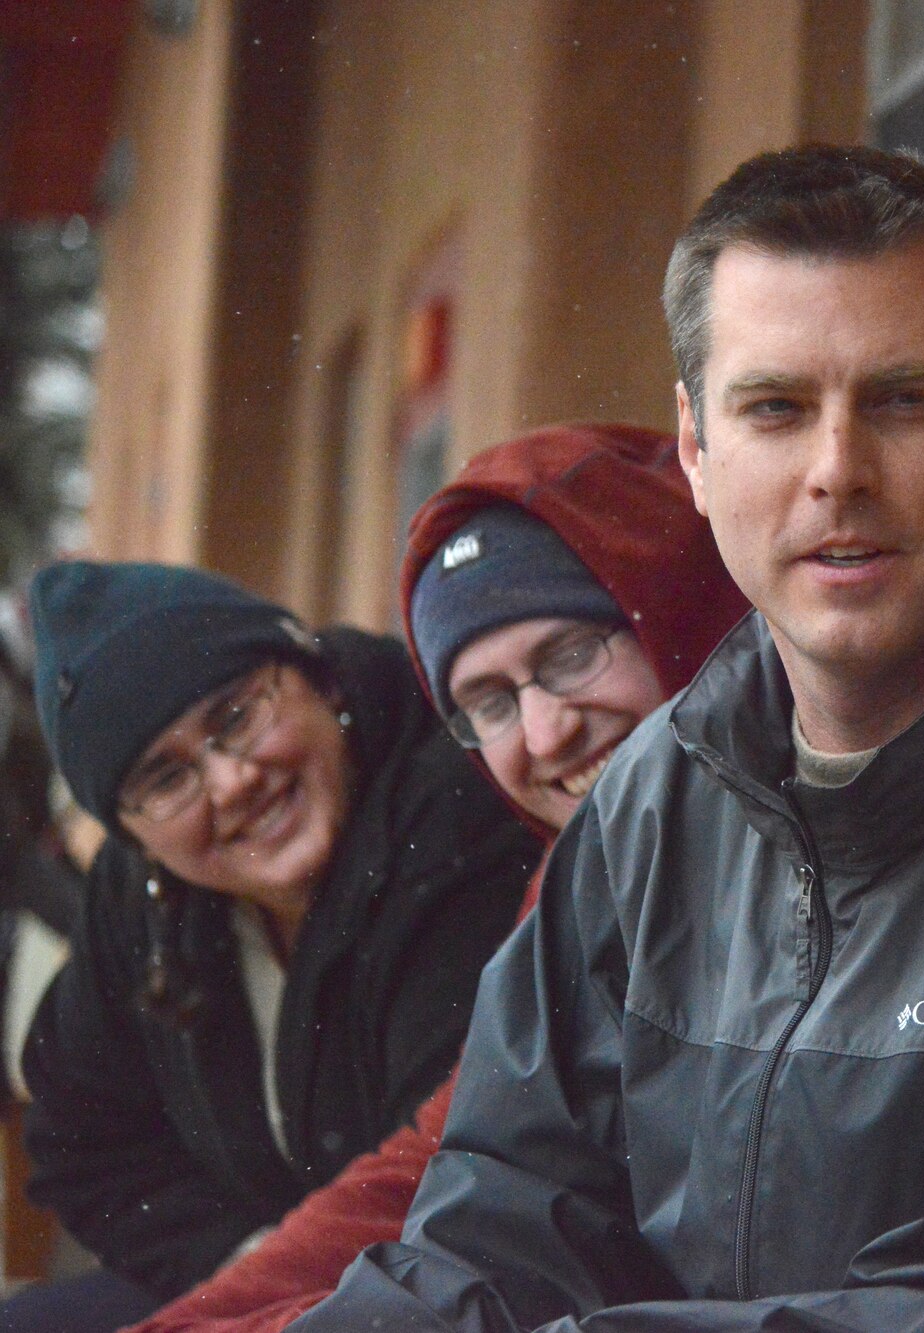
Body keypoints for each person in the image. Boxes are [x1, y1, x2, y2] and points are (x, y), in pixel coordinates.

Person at [290, 145, 924, 1333]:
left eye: (899, 398)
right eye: (775, 409)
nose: (837, 472)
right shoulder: (647, 806)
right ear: (693, 448)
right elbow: (493, 1229)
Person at [125, 420, 750, 1333]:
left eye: (572, 654)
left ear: (680, 613)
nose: (545, 736)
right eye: (489, 703)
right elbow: (454, 1166)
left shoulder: (846, 848)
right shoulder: (582, 886)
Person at [0, 562, 542, 1332]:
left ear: (317, 679)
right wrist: (237, 1256)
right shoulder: (141, 894)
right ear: (134, 834)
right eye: (165, 777)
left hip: (443, 1286)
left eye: (235, 716)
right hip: (270, 1279)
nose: (231, 781)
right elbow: (82, 1139)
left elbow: (445, 1179)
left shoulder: (454, 816)